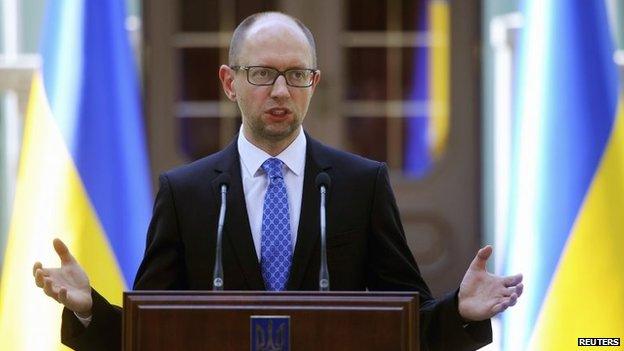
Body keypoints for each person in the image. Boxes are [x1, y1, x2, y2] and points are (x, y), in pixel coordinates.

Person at [33, 11, 523, 351]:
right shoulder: (186, 193)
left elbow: (408, 325)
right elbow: (151, 331)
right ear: (230, 82)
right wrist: (88, 310)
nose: (282, 91)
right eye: (264, 73)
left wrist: (460, 311)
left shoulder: (360, 184)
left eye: (297, 75)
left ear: (315, 81)